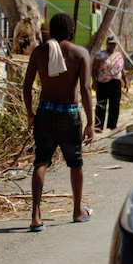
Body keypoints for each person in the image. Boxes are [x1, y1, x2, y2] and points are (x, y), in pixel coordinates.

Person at [22, 13, 95, 232]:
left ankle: (36, 215)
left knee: (41, 162)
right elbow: (85, 89)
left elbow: (26, 86)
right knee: (76, 163)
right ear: (71, 31)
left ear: (51, 31)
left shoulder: (39, 52)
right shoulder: (80, 53)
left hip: (45, 111)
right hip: (69, 113)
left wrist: (30, 114)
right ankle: (77, 210)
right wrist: (90, 122)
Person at [92, 35, 128, 132]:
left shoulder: (119, 55)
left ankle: (112, 125)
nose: (112, 46)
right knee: (101, 104)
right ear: (107, 44)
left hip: (116, 82)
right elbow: (94, 68)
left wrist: (126, 82)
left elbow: (122, 69)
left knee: (115, 104)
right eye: (110, 43)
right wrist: (94, 81)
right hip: (102, 82)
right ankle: (98, 125)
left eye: (114, 44)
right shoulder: (100, 55)